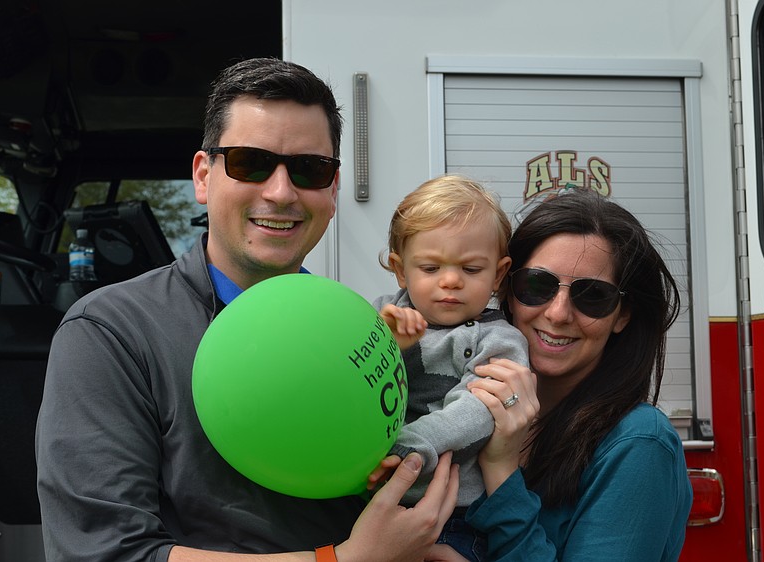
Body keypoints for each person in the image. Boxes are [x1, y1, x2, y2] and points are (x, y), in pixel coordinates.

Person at [35, 57, 459, 562]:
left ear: (333, 188)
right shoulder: (111, 333)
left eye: (309, 168)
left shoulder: (358, 326)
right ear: (203, 175)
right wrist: (343, 561)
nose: (280, 192)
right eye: (249, 163)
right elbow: (106, 553)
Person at [430, 187, 693, 561]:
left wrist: (502, 469)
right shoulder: (459, 402)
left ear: (622, 315)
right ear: (506, 288)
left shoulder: (639, 444)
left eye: (593, 296)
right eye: (537, 285)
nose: (558, 313)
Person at [371, 175, 529, 562]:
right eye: (430, 267)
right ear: (400, 269)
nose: (451, 280)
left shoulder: (500, 340)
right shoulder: (381, 319)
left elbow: (476, 411)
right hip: (374, 505)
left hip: (455, 518)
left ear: (498, 273)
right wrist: (389, 347)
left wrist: (412, 447)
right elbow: (351, 388)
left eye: (472, 269)